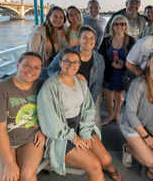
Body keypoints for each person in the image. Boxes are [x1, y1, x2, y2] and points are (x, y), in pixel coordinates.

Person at [38, 48, 121, 181]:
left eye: (75, 62)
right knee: (94, 165)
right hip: (61, 134)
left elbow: (88, 109)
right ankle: (98, 171)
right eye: (67, 61)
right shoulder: (50, 86)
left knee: (106, 159)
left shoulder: (80, 82)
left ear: (79, 65)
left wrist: (85, 133)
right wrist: (74, 138)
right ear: (59, 62)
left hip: (81, 126)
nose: (71, 65)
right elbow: (50, 121)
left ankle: (106, 166)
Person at [0, 52, 45, 181]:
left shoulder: (42, 86)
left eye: (36, 67)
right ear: (17, 66)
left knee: (27, 176)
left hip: (29, 139)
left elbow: (51, 113)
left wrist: (42, 131)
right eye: (27, 65)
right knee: (8, 178)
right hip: (0, 140)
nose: (31, 70)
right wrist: (9, 164)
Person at [119, 49, 153, 180]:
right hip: (130, 124)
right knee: (151, 162)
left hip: (150, 122)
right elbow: (130, 114)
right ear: (149, 62)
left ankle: (140, 147)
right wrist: (145, 137)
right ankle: (127, 149)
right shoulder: (138, 84)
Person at [48, 26, 105, 131]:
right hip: (67, 95)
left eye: (91, 38)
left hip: (90, 95)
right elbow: (50, 70)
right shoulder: (66, 53)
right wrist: (71, 76)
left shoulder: (99, 59)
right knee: (70, 125)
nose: (88, 41)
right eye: (85, 38)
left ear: (95, 40)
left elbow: (97, 83)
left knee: (92, 126)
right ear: (79, 40)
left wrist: (88, 104)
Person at [98, 15, 136, 126]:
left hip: (122, 73)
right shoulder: (106, 40)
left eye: (122, 24)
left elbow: (134, 58)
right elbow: (101, 56)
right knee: (108, 96)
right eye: (116, 24)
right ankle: (110, 115)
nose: (119, 26)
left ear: (126, 26)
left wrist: (123, 65)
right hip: (109, 72)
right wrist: (111, 64)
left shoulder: (131, 40)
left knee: (119, 95)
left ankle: (117, 115)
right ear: (113, 26)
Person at [26, 5, 68, 79]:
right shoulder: (38, 33)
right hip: (39, 73)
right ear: (49, 17)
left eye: (61, 17)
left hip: (52, 72)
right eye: (55, 16)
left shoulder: (58, 34)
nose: (58, 19)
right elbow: (30, 56)